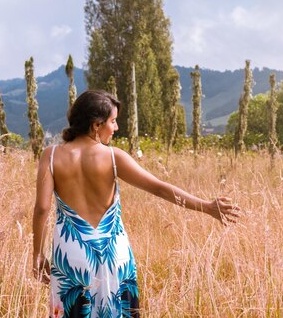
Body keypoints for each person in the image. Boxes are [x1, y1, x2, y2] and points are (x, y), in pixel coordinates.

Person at [32, 90, 239, 317]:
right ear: (95, 125)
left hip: (71, 255)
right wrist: (207, 206)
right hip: (113, 255)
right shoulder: (113, 157)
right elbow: (160, 188)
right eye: (113, 121)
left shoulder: (51, 155)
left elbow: (42, 208)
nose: (116, 127)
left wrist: (38, 254)